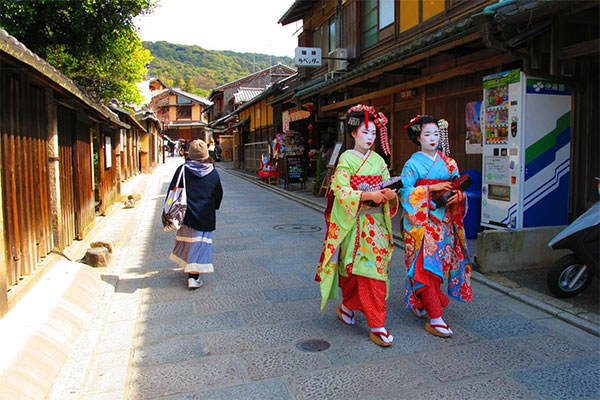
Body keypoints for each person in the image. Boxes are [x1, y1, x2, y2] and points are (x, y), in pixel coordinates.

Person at [316, 104, 398, 347]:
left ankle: (375, 322)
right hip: (354, 223)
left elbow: (388, 183)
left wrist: (391, 195)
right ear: (353, 133)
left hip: (377, 224)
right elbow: (340, 189)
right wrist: (366, 196)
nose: (370, 138)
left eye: (374, 133)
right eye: (365, 133)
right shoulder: (346, 159)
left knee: (375, 272)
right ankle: (358, 313)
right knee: (352, 271)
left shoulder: (378, 160)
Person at [399, 115, 473, 338]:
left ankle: (423, 300)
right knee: (424, 269)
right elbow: (404, 192)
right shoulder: (412, 164)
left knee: (437, 268)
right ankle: (436, 318)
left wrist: (460, 195)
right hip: (422, 225)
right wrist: (431, 189)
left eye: (436, 134)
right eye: (427, 134)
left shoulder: (449, 163)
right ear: (418, 137)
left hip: (446, 225)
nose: (433, 138)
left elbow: (460, 185)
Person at [168, 139, 223, 289]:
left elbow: (173, 190)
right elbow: (218, 194)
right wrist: (214, 207)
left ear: (190, 154)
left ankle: (191, 271)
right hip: (205, 214)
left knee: (188, 241)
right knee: (199, 244)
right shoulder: (213, 172)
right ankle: (193, 276)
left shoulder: (182, 170)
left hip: (186, 214)